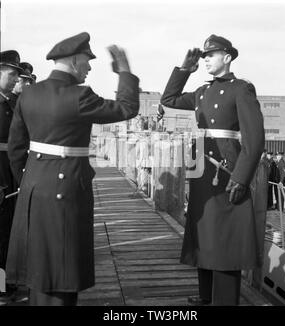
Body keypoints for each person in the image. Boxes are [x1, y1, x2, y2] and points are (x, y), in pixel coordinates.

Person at [6, 32, 139, 306]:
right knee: (61, 266)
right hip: (65, 191)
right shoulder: (80, 96)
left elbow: (16, 148)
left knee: (40, 264)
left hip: (33, 188)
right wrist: (124, 72)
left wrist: (29, 180)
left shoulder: (28, 95)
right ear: (75, 60)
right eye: (87, 61)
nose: (89, 68)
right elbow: (126, 108)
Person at [161, 34, 265, 305]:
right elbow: (169, 98)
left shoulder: (241, 89)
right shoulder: (202, 92)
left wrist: (242, 178)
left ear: (227, 57)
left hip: (227, 171)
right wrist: (185, 69)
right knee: (205, 232)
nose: (206, 59)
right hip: (202, 169)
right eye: (204, 55)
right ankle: (207, 296)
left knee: (226, 238)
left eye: (211, 55)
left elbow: (254, 140)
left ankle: (224, 300)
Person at [0, 50, 24, 304]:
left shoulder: (9, 103)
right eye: (11, 74)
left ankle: (6, 282)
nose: (15, 79)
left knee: (6, 232)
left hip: (10, 176)